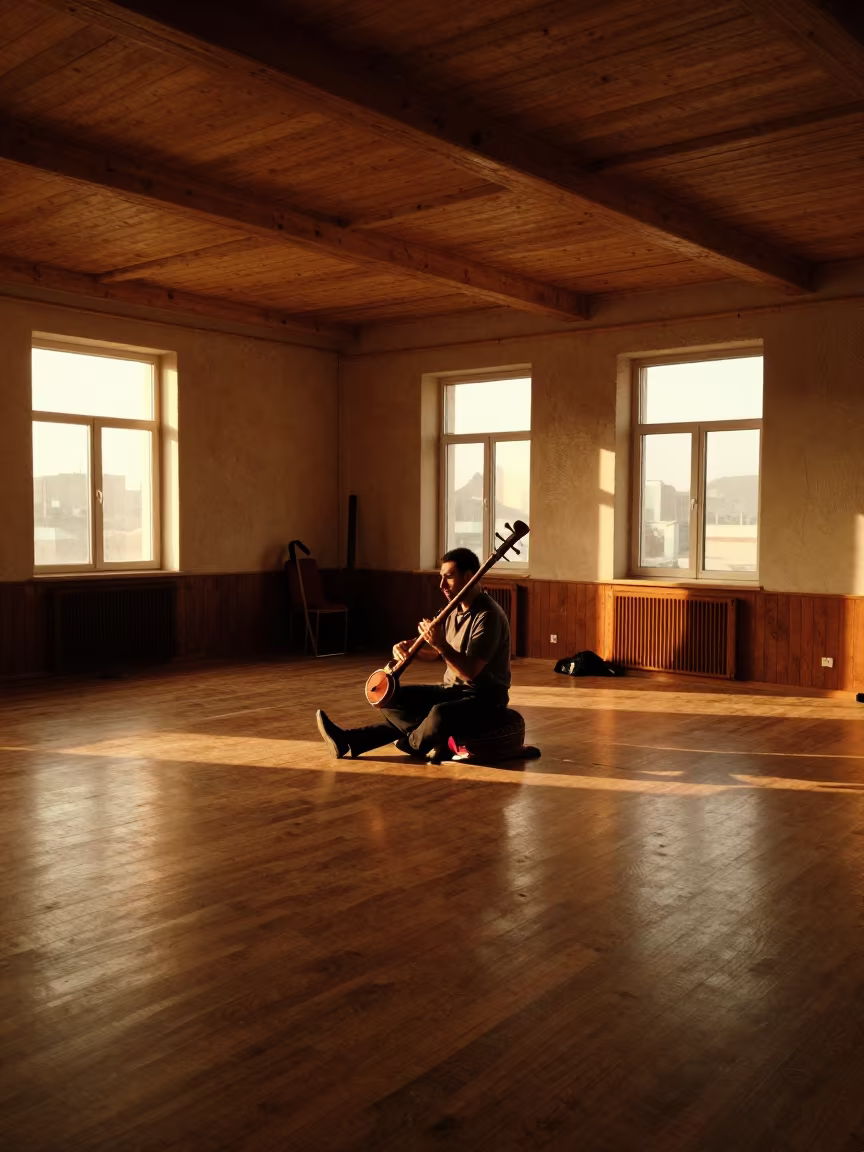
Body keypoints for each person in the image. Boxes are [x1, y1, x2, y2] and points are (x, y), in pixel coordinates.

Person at [316, 547, 511, 762]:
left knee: (438, 715)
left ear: (468, 577)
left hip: (484, 697)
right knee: (393, 698)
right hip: (452, 691)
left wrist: (440, 645)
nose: (441, 585)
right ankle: (355, 741)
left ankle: (411, 743)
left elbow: (471, 672)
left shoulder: (488, 616)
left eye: (448, 577)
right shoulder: (452, 610)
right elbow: (436, 654)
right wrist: (411, 650)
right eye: (440, 577)